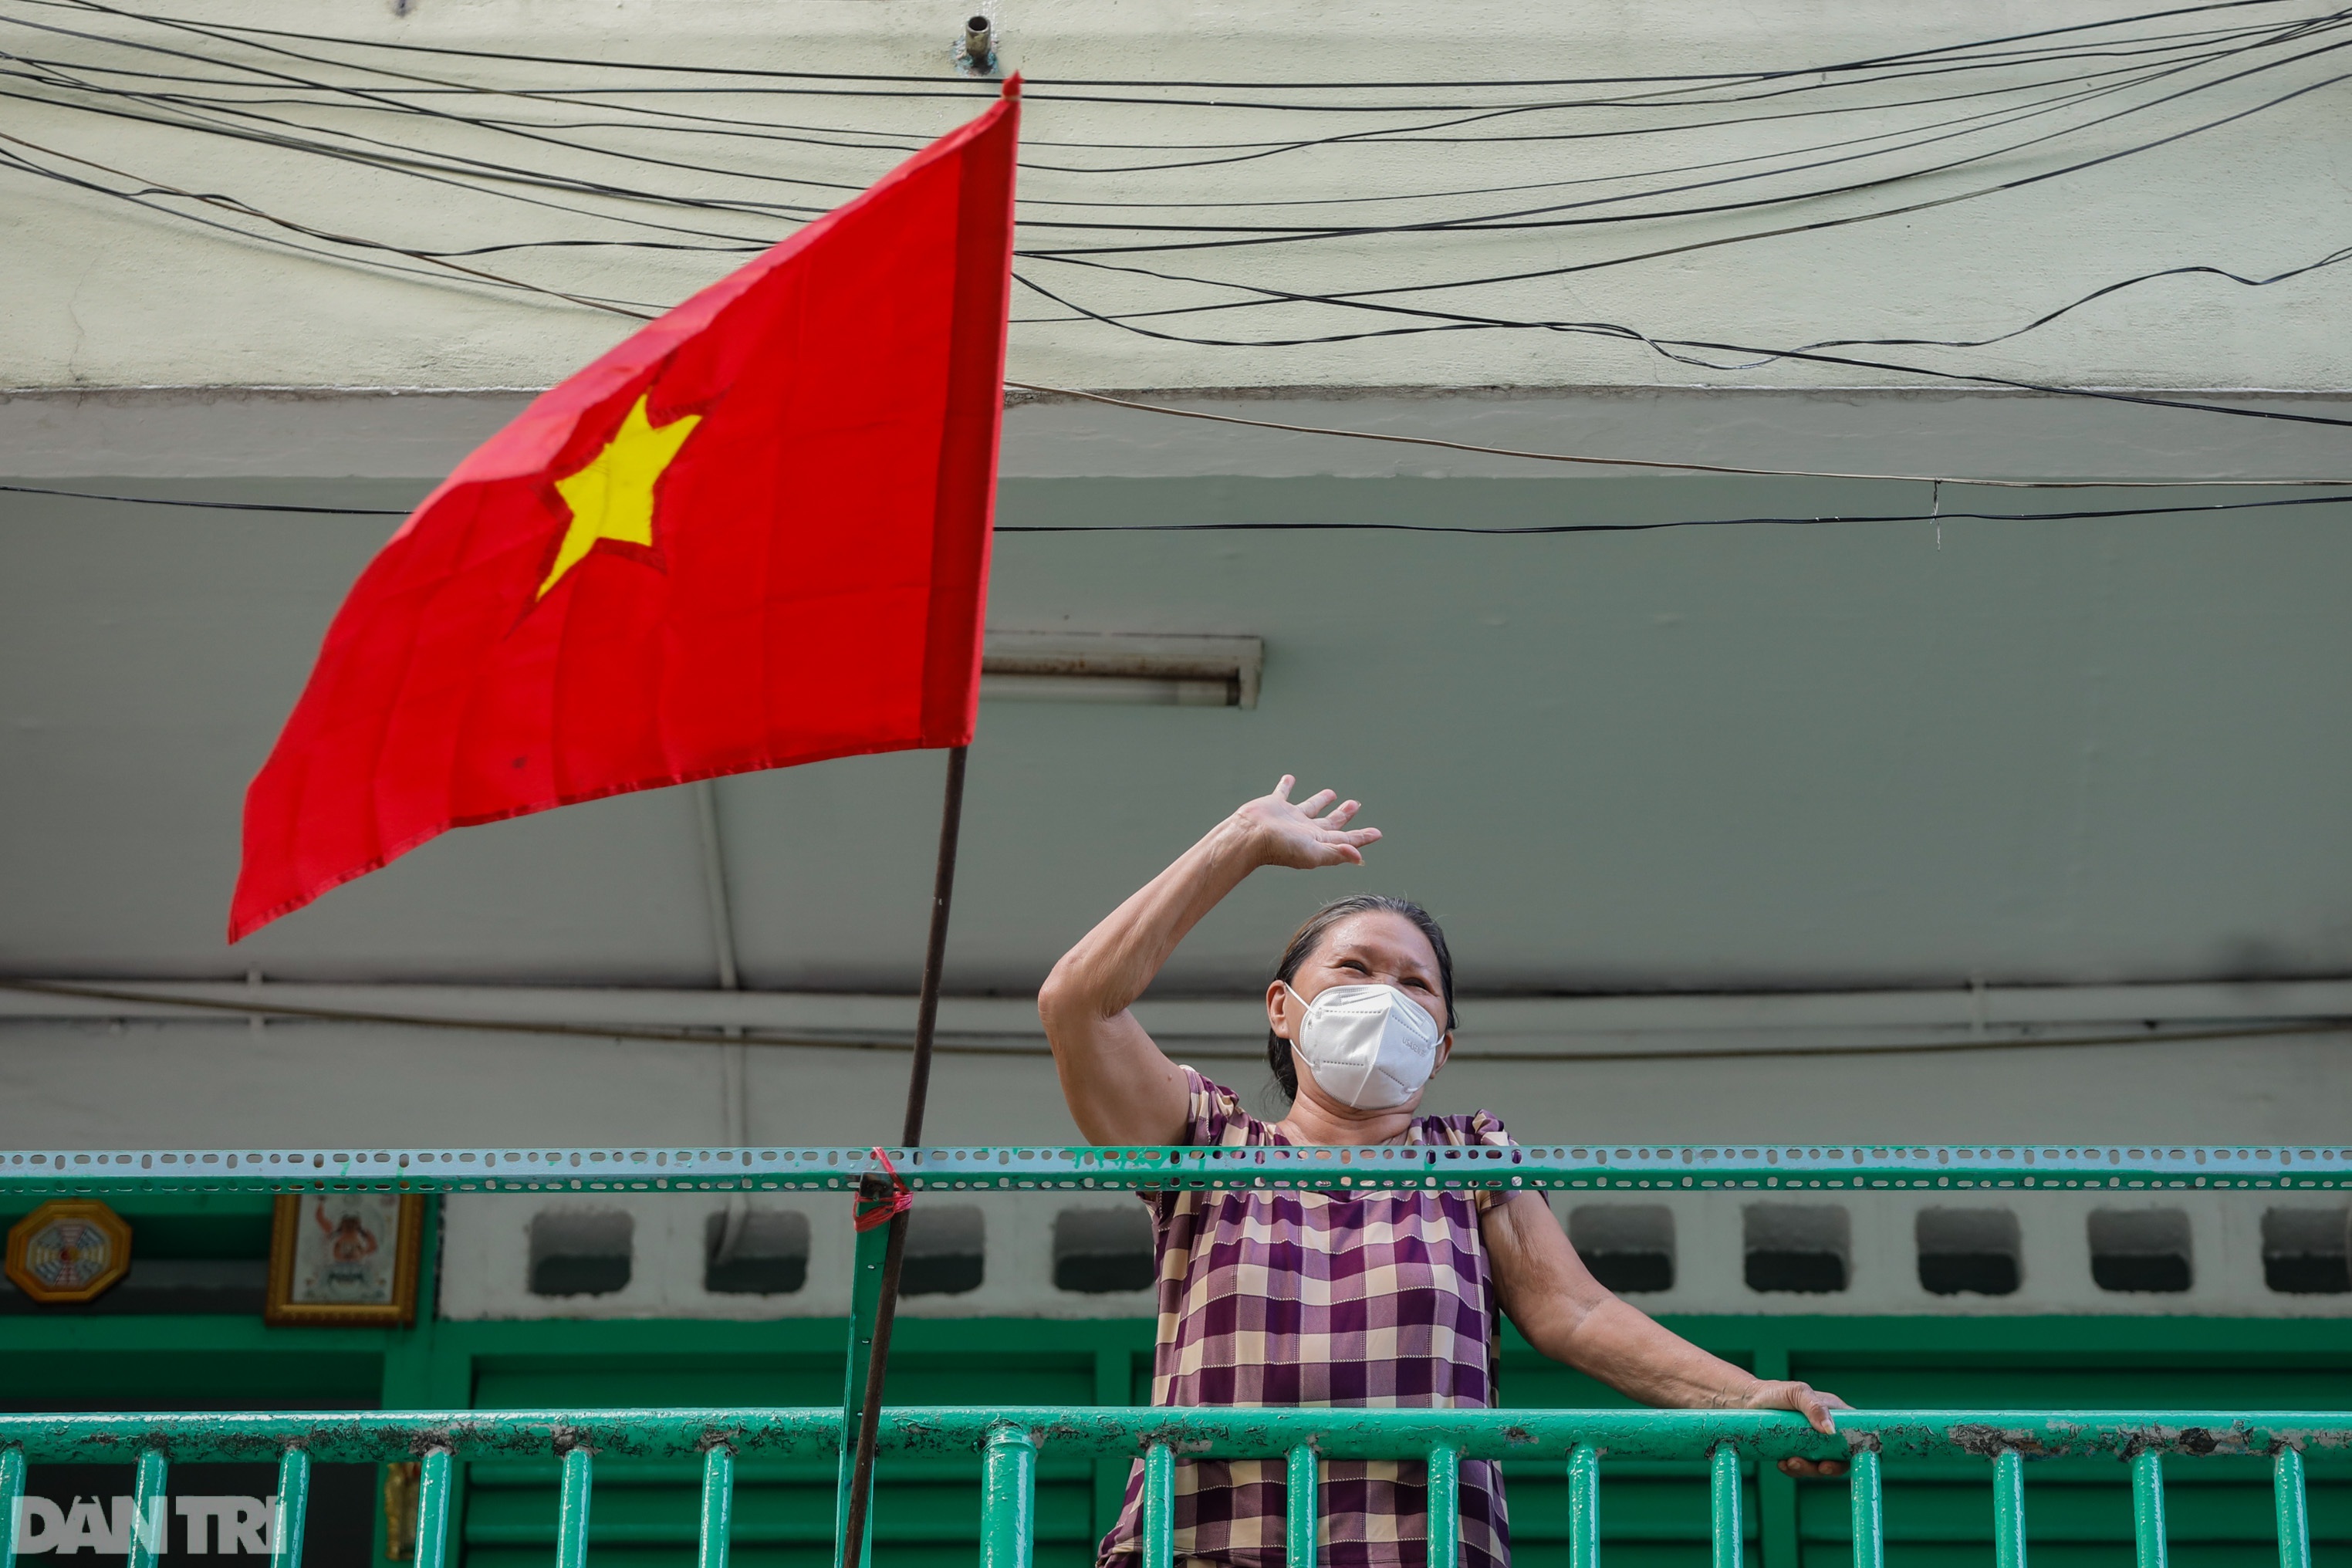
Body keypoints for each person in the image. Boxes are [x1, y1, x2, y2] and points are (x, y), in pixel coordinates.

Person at [1039, 777, 1850, 1568]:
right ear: (1283, 1008)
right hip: (1207, 1549)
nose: (1385, 996)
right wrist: (1242, 840)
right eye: (1355, 970)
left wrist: (1751, 1397)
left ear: (1441, 1045)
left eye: (1415, 984)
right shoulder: (1207, 1144)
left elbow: (1575, 1311)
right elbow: (1078, 1003)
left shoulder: (1469, 1157)